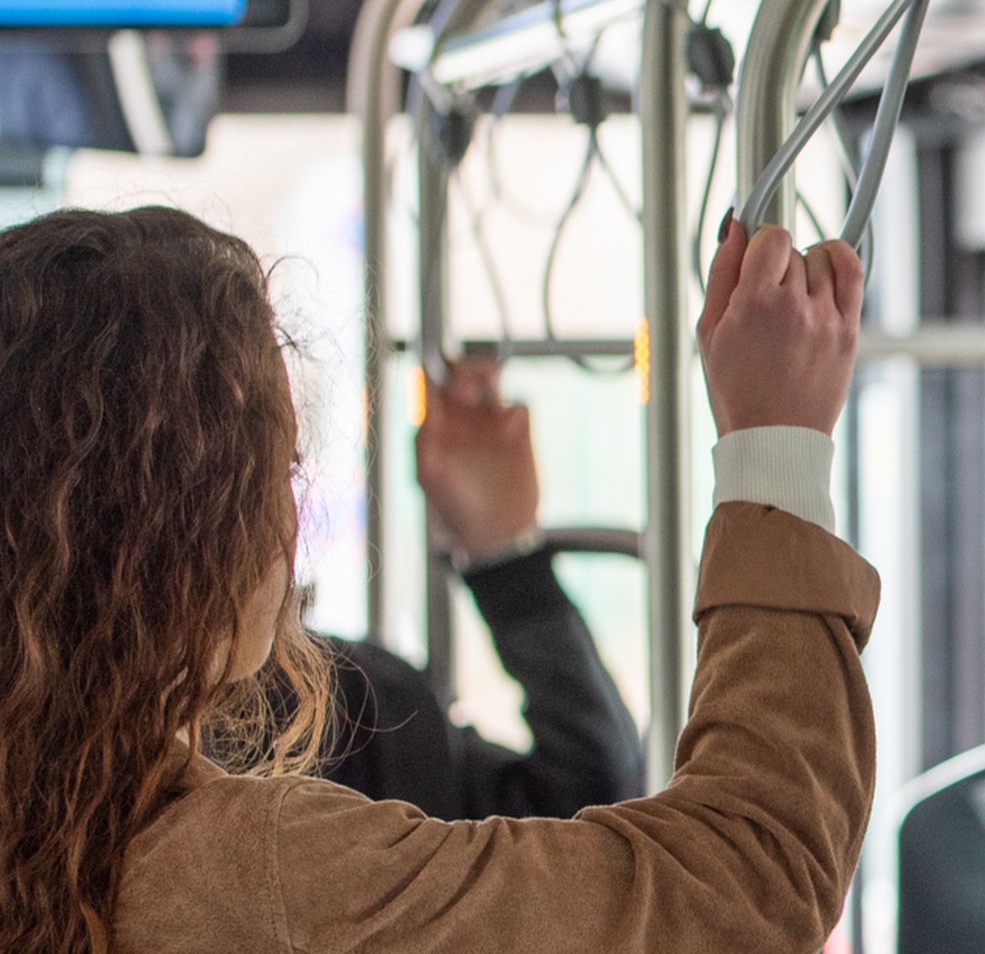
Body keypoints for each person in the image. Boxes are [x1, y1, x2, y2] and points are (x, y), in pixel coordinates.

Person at [0, 206, 880, 953]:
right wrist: (776, 452)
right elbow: (741, 885)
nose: (288, 527)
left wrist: (505, 557)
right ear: (184, 539)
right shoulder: (254, 869)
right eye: (278, 473)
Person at [303, 359, 644, 819]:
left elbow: (586, 803)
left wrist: (504, 556)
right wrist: (507, 562)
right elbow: (588, 810)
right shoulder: (327, 705)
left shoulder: (336, 700)